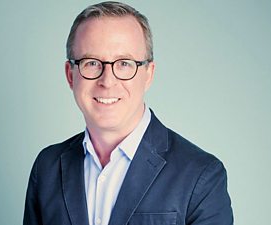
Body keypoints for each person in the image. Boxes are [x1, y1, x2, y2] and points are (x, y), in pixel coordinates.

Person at [23, 1, 233, 225]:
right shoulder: (47, 168)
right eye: (92, 62)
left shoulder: (200, 175)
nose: (107, 80)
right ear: (70, 75)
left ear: (148, 74)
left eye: (124, 63)